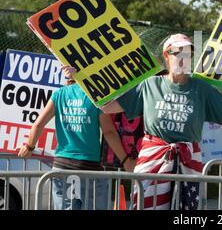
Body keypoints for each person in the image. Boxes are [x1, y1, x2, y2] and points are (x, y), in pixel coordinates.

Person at [99, 33, 222, 210]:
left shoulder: (201, 88)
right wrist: (80, 79)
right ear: (166, 56)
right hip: (152, 163)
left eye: (187, 53)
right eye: (177, 52)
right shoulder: (150, 85)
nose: (182, 58)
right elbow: (107, 107)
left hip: (188, 165)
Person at [17, 66, 136, 210]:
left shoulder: (59, 94)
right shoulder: (95, 97)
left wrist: (29, 147)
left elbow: (39, 123)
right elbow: (109, 132)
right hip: (90, 168)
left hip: (62, 166)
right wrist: (125, 160)